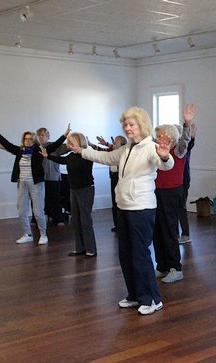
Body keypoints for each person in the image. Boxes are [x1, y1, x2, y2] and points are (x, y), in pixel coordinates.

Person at [68, 107, 174, 316]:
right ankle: (135, 295)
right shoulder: (127, 149)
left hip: (141, 209)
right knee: (125, 254)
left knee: (140, 254)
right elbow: (105, 158)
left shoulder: (151, 148)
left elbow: (165, 165)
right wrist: (82, 151)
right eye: (125, 125)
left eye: (131, 124)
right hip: (124, 207)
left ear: (141, 125)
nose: (127, 128)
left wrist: (164, 156)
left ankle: (152, 298)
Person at [0, 120, 68, 245]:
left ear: (34, 140)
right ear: (23, 140)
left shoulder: (38, 151)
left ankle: (43, 235)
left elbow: (54, 146)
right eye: (26, 139)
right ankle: (27, 234)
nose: (28, 141)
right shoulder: (19, 151)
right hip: (22, 184)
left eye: (30, 139)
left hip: (36, 184)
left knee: (38, 211)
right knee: (21, 210)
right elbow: (7, 143)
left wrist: (64, 135)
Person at [153, 104, 195, 284]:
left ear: (170, 136)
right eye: (158, 135)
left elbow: (186, 139)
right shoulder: (156, 150)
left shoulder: (178, 149)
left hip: (172, 193)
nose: (159, 138)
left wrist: (187, 122)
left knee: (170, 230)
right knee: (157, 230)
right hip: (157, 192)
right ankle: (162, 266)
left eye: (162, 135)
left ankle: (175, 268)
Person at [42, 132, 96, 257]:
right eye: (69, 143)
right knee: (76, 220)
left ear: (80, 142)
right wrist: (47, 156)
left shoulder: (87, 155)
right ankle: (79, 248)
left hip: (86, 189)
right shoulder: (71, 156)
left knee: (85, 220)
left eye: (72, 142)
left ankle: (91, 249)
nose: (70, 145)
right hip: (74, 190)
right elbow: (62, 160)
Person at [91, 135, 128, 232]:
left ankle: (122, 225)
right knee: (114, 201)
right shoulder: (113, 151)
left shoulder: (124, 151)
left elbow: (113, 148)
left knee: (120, 202)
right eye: (114, 141)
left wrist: (107, 143)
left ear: (122, 144)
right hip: (113, 177)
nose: (114, 143)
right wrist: (91, 145)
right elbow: (100, 151)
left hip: (120, 178)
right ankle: (117, 225)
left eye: (116, 141)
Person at [37, 127, 69, 226]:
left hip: (53, 177)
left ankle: (59, 218)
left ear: (47, 136)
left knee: (55, 198)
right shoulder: (36, 149)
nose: (41, 137)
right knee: (43, 199)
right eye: (39, 135)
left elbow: (67, 147)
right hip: (41, 178)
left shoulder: (54, 146)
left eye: (43, 135)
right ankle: (47, 216)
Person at [178, 122, 196, 244]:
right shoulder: (174, 148)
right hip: (177, 182)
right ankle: (176, 234)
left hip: (183, 181)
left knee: (181, 208)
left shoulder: (183, 148)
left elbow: (190, 144)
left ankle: (185, 234)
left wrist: (193, 136)